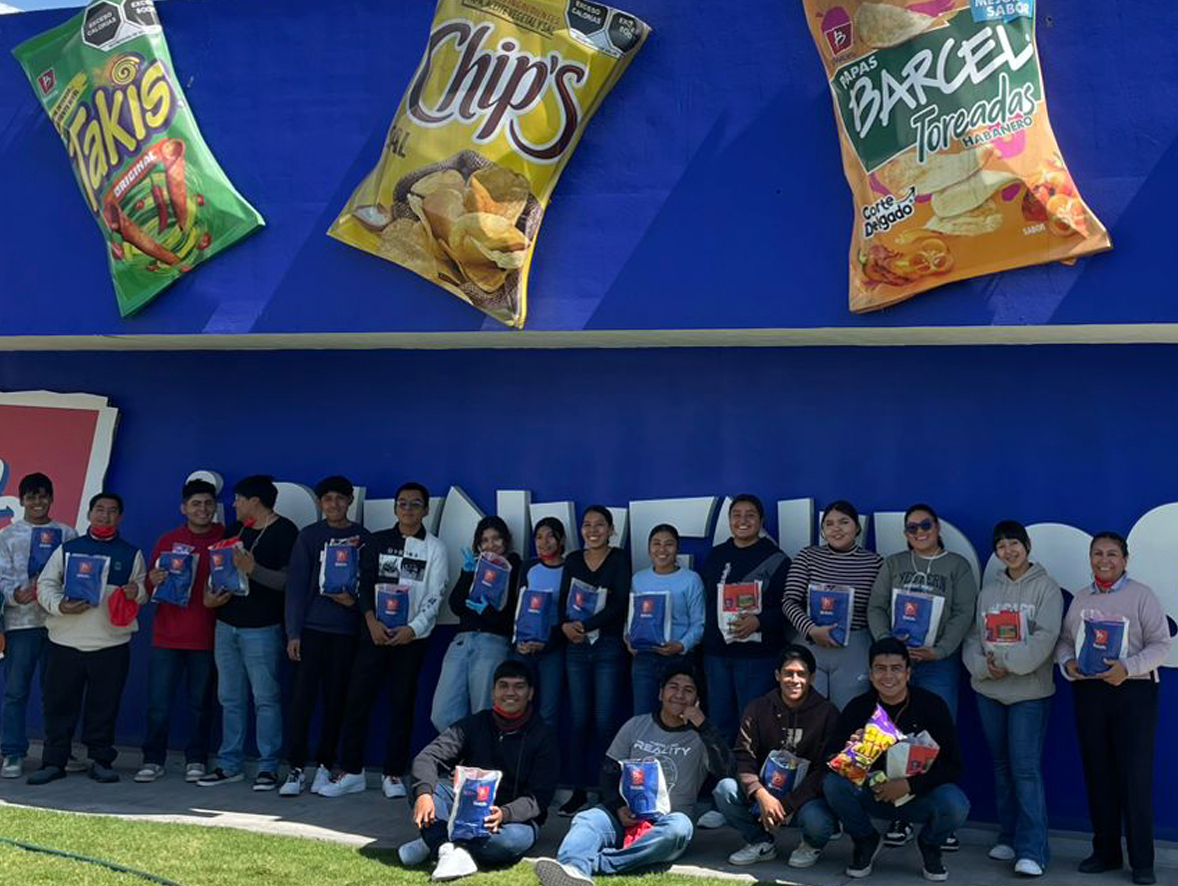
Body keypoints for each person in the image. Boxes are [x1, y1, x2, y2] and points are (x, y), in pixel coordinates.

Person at [534, 664, 733, 886]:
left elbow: (725, 770)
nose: (679, 695)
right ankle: (571, 868)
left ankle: (594, 865)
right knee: (587, 818)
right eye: (673, 687)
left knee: (679, 828)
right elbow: (608, 772)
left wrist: (703, 725)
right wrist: (618, 806)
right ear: (660, 693)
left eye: (688, 690)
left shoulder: (701, 737)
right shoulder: (636, 725)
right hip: (623, 814)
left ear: (697, 698)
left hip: (665, 823)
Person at [1054, 532, 1170, 886]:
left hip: (1133, 693)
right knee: (1098, 774)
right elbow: (1063, 641)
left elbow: (1161, 645)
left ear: (1125, 559)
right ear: (1090, 558)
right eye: (1097, 554)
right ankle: (1105, 852)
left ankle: (1142, 861)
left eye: (1112, 554)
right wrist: (1068, 663)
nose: (1104, 560)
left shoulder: (1142, 596)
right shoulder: (1081, 599)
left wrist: (1128, 668)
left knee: (1134, 778)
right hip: (1090, 693)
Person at [320, 481, 449, 800]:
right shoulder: (376, 542)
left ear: (426, 509)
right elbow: (362, 586)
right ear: (395, 508)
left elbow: (436, 595)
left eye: (415, 504)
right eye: (402, 503)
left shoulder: (436, 548)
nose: (408, 509)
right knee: (356, 702)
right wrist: (371, 621)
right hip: (373, 635)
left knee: (402, 706)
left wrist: (412, 629)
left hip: (411, 641)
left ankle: (393, 774)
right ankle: (351, 771)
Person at [867, 503, 976, 850]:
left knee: (935, 740)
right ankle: (900, 814)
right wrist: (888, 646)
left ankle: (942, 819)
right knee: (895, 737)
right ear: (905, 534)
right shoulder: (895, 563)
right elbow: (875, 606)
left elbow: (963, 613)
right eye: (911, 528)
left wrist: (940, 650)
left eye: (925, 525)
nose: (919, 532)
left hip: (937, 663)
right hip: (897, 667)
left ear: (937, 526)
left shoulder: (956, 566)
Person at [962, 521, 1062, 877]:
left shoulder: (1046, 589)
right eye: (1001, 546)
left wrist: (1005, 663)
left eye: (1014, 543)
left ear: (1027, 545)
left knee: (1025, 769)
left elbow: (1045, 639)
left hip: (1029, 694)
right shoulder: (989, 591)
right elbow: (974, 638)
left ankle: (1033, 849)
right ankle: (1008, 836)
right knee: (1002, 768)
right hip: (990, 691)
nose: (1009, 551)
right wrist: (985, 669)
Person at [823, 637, 969, 882]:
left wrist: (908, 785)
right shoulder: (859, 707)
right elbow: (829, 756)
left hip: (918, 795)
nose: (888, 676)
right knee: (833, 784)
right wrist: (848, 755)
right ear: (870, 674)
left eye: (896, 668)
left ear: (908, 672)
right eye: (880, 669)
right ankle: (865, 839)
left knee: (956, 804)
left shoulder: (931, 705)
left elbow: (954, 767)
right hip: (873, 792)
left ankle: (930, 845)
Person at [399, 660, 559, 880]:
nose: (510, 693)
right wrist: (424, 793)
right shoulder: (475, 724)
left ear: (530, 693)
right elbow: (428, 757)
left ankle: (437, 842)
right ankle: (445, 847)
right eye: (503, 685)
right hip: (465, 810)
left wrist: (505, 813)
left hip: (511, 822)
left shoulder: (544, 736)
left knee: (508, 844)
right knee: (420, 785)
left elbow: (539, 798)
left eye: (519, 686)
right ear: (493, 692)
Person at [29, 492, 147, 785]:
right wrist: (60, 606)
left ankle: (101, 760)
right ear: (89, 514)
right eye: (99, 510)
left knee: (104, 707)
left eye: (111, 511)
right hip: (65, 642)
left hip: (111, 644)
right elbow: (45, 585)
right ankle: (53, 761)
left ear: (119, 517)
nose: (104, 516)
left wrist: (137, 592)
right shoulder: (68, 549)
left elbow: (142, 592)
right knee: (58, 706)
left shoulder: (131, 553)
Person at [199, 475, 298, 789]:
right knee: (229, 697)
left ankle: (268, 766)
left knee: (265, 699)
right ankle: (230, 763)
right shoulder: (235, 530)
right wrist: (209, 596)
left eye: (238, 498)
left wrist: (253, 570)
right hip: (226, 625)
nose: (233, 504)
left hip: (263, 629)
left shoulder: (285, 531)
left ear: (255, 501)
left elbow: (288, 583)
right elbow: (217, 571)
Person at [279, 475, 371, 797]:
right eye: (328, 499)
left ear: (350, 501)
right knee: (301, 702)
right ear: (320, 504)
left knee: (336, 703)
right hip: (311, 632)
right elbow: (295, 589)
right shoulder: (309, 536)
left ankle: (323, 767)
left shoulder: (363, 538)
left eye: (340, 498)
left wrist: (354, 602)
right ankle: (295, 769)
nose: (334, 504)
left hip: (346, 634)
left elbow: (370, 590)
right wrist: (293, 632)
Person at [713, 644, 840, 869]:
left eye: (801, 674)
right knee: (724, 790)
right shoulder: (758, 707)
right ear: (777, 676)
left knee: (818, 822)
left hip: (804, 799)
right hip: (765, 794)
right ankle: (760, 842)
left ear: (812, 677)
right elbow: (744, 757)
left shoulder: (827, 713)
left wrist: (788, 803)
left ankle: (810, 845)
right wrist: (761, 794)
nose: (794, 680)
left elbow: (825, 769)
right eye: (788, 673)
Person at [135, 479, 225, 784]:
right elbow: (149, 587)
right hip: (167, 636)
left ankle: (196, 759)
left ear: (215, 507)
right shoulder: (168, 540)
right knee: (159, 703)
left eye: (208, 504)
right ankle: (152, 760)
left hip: (208, 636)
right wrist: (154, 578)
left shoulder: (226, 539)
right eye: (196, 504)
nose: (202, 509)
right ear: (183, 508)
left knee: (201, 704)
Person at [0, 472, 77, 779]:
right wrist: (15, 594)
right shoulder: (8, 536)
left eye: (43, 496)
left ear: (51, 498)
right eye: (31, 497)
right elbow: (2, 578)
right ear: (21, 501)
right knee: (16, 691)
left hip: (60, 623)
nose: (37, 502)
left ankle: (57, 753)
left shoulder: (67, 533)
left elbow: (77, 573)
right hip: (21, 624)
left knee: (57, 692)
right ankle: (13, 753)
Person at [699, 495, 791, 748]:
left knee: (753, 726)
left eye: (750, 514)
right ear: (729, 520)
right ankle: (723, 784)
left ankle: (748, 784)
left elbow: (788, 607)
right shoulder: (716, 555)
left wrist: (759, 621)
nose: (743, 520)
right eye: (736, 514)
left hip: (757, 657)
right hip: (717, 656)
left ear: (761, 520)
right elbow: (706, 603)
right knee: (719, 725)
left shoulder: (777, 559)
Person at [557, 505, 631, 817]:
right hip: (575, 646)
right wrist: (565, 625)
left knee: (604, 722)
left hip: (608, 646)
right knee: (579, 721)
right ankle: (577, 790)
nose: (592, 530)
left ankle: (606, 792)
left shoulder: (619, 559)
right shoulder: (573, 560)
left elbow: (620, 602)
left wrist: (586, 626)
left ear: (611, 529)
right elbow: (563, 600)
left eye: (599, 525)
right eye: (586, 525)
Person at [782, 500, 883, 709]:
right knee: (806, 713)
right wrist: (811, 630)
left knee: (847, 714)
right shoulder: (808, 557)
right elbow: (789, 601)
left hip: (854, 648)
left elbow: (879, 609)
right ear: (822, 530)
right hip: (811, 646)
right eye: (829, 524)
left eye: (844, 522)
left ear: (857, 528)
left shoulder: (875, 563)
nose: (836, 528)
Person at [430, 516, 523, 734]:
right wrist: (467, 573)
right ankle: (463, 757)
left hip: (492, 643)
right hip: (462, 642)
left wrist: (487, 611)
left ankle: (480, 765)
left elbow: (510, 617)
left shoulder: (514, 566)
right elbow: (456, 605)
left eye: (496, 539)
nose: (491, 545)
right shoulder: (475, 564)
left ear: (506, 541)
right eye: (485, 540)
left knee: (484, 712)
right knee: (442, 713)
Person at [626, 524, 705, 716]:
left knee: (679, 717)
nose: (662, 550)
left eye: (669, 544)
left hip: (679, 659)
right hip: (645, 658)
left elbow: (699, 623)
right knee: (643, 717)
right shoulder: (639, 579)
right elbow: (632, 615)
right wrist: (628, 639)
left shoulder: (691, 579)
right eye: (656, 544)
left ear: (677, 549)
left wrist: (681, 645)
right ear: (648, 548)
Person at [509, 517, 568, 726]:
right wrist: (518, 642)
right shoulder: (529, 567)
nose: (544, 542)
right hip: (524, 648)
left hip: (553, 648)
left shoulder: (570, 568)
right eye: (539, 537)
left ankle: (544, 758)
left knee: (548, 712)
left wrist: (550, 641)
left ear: (561, 540)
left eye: (550, 536)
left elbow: (569, 613)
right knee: (517, 707)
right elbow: (519, 608)